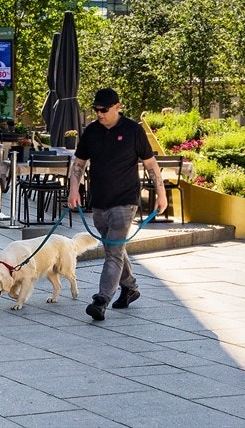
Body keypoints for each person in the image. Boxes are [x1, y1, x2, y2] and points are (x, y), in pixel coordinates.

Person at [68, 88, 166, 321]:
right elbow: (79, 162)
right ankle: (130, 287)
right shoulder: (92, 131)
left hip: (125, 201)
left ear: (117, 107)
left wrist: (161, 194)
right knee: (115, 249)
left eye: (104, 110)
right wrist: (73, 190)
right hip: (99, 201)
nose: (99, 114)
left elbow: (151, 164)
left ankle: (101, 300)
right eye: (96, 109)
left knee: (112, 253)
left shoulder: (133, 130)